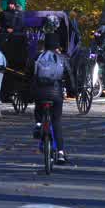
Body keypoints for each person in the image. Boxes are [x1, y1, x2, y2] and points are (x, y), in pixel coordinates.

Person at [31, 33, 72, 164]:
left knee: (38, 108)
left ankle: (38, 124)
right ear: (57, 45)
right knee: (56, 121)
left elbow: (28, 73)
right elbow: (70, 75)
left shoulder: (37, 57)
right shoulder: (62, 58)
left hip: (39, 92)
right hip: (56, 93)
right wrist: (73, 90)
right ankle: (60, 152)